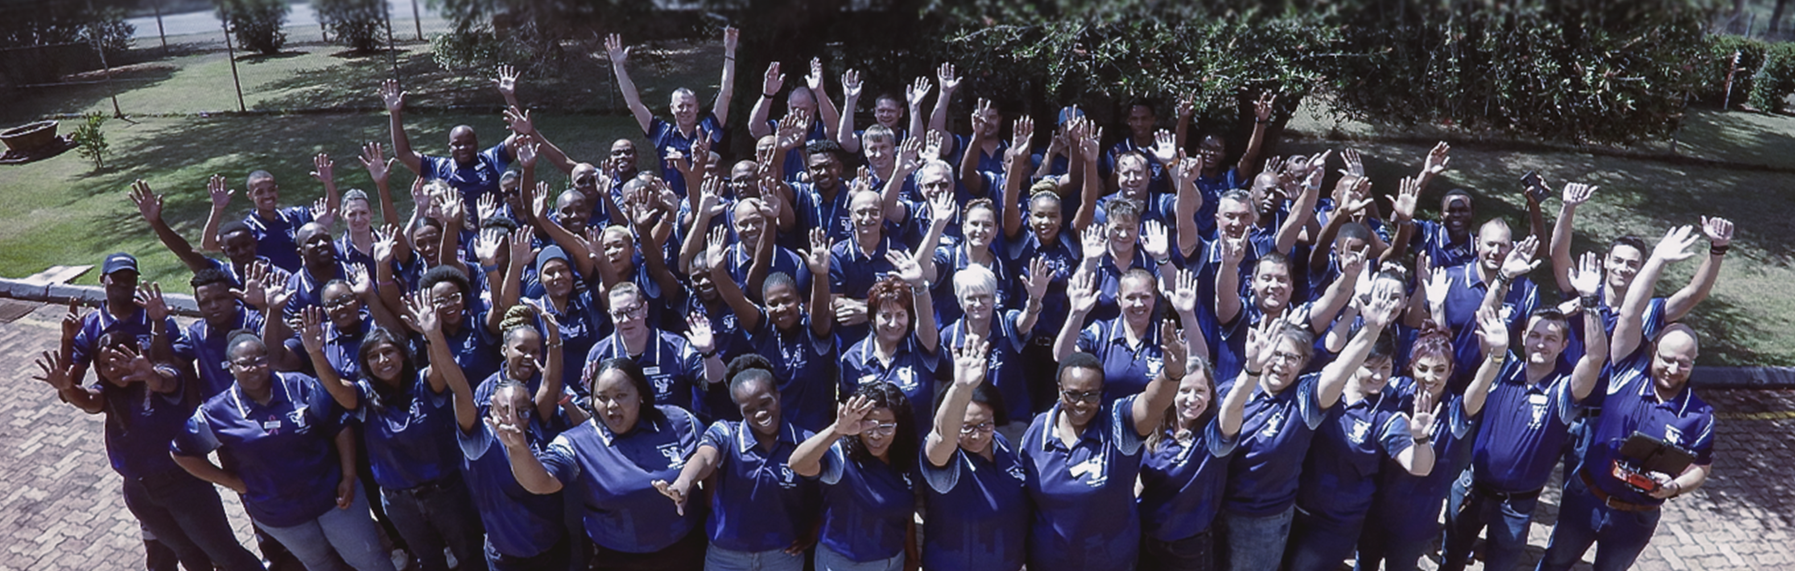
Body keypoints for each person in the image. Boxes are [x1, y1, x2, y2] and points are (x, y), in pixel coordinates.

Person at [1536, 225, 1719, 571]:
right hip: (1567, 409)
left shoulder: (1694, 409)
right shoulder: (1589, 297)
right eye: (1617, 261)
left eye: (1632, 264)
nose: (1672, 367)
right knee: (1539, 497)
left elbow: (1689, 295)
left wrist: (1674, 486)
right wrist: (1568, 209)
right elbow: (1560, 262)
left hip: (1601, 421)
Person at [38, 297, 265, 571]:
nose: (115, 369)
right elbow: (87, 400)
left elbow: (165, 382)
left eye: (121, 360)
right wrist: (67, 387)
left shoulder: (162, 374)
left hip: (183, 487)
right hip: (139, 492)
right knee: (188, 555)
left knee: (226, 555)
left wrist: (148, 374)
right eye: (107, 365)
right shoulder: (108, 391)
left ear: (137, 354)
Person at [1214, 283, 1403, 571]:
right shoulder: (1230, 391)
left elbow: (1338, 373)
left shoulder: (1304, 398)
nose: (1281, 364)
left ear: (1303, 364)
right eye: (1275, 354)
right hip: (1214, 511)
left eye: (1292, 358)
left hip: (1262, 522)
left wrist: (1372, 330)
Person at [1439, 252, 1609, 571]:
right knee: (1451, 560)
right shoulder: (1503, 368)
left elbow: (1596, 358)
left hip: (1516, 506)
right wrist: (1503, 278)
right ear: (1523, 337)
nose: (1540, 344)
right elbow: (1485, 318)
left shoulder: (1565, 390)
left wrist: (1589, 301)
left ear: (1563, 345)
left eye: (1550, 338)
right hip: (1471, 490)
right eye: (1534, 336)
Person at [170, 333, 396, 571]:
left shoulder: (300, 385)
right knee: (321, 564)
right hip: (280, 515)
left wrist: (349, 476)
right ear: (231, 368)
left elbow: (339, 426)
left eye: (259, 359)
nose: (253, 368)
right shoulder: (216, 413)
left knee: (368, 560)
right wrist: (231, 481)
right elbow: (181, 452)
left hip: (334, 498)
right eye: (244, 363)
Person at [299, 300, 488, 571]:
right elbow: (337, 388)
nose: (382, 360)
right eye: (373, 356)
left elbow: (441, 370)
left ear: (403, 354)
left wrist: (431, 335)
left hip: (446, 494)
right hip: (400, 502)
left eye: (388, 352)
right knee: (429, 559)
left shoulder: (425, 384)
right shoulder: (364, 396)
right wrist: (316, 353)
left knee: (469, 554)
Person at [1283, 274, 1440, 571]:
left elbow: (1418, 466)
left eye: (1386, 367)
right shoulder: (1325, 392)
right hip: (1292, 508)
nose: (1379, 377)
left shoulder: (1386, 416)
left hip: (1337, 523)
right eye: (1370, 367)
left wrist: (1420, 439)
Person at [500, 358, 708, 570]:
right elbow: (541, 483)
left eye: (621, 396)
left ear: (641, 395)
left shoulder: (679, 421)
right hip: (615, 559)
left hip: (685, 551)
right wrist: (518, 448)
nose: (611, 406)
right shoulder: (576, 442)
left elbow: (711, 462)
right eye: (602, 397)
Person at [1018, 320, 1183, 571]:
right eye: (1072, 394)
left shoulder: (1118, 423)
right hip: (1049, 561)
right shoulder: (1037, 431)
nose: (1081, 403)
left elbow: (1151, 403)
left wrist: (1171, 375)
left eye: (1091, 394)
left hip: (1110, 560)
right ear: (1060, 390)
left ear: (1102, 392)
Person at [1355, 313, 1507, 571]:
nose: (1430, 377)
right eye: (1423, 368)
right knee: (1364, 564)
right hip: (1375, 509)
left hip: (1416, 520)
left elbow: (1480, 387)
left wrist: (1497, 355)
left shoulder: (1456, 411)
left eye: (1439, 370)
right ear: (1411, 365)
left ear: (1450, 371)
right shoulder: (1395, 391)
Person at [654, 355, 821, 571]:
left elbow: (826, 492)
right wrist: (684, 483)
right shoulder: (725, 433)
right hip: (726, 557)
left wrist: (814, 530)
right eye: (749, 410)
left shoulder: (804, 441)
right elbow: (704, 457)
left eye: (765, 402)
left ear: (778, 395)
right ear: (739, 410)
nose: (760, 413)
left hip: (782, 556)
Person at [708, 226, 839, 432]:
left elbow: (821, 313)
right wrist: (717, 272)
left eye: (786, 300)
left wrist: (820, 275)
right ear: (765, 306)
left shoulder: (814, 329)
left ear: (798, 300)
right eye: (773, 303)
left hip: (816, 432)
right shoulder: (763, 329)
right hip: (776, 432)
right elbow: (738, 301)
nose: (780, 308)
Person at [1137, 347, 1257, 571]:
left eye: (1200, 391)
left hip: (1189, 547)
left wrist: (1252, 369)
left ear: (1211, 393)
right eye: (1185, 390)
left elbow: (1234, 406)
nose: (1192, 399)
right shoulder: (1154, 426)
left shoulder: (1213, 434)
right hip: (1146, 536)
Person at [919, 339, 1028, 571]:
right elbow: (942, 437)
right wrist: (961, 388)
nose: (976, 435)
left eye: (984, 425)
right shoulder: (945, 458)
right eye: (965, 427)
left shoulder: (1003, 446)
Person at [788, 382, 920, 571]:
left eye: (886, 427)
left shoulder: (907, 460)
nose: (876, 435)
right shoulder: (840, 456)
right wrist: (836, 430)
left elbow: (904, 515)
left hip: (891, 563)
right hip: (841, 563)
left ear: (900, 426)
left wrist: (913, 558)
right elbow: (797, 464)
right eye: (868, 426)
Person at [606, 28, 738, 196]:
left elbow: (726, 93)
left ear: (697, 107)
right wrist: (619, 66)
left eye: (689, 105)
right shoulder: (662, 133)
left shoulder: (709, 128)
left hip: (709, 198)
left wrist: (729, 51)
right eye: (680, 106)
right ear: (671, 109)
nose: (685, 110)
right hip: (676, 203)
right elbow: (634, 105)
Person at [1057, 267, 1208, 405]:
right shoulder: (1100, 332)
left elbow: (1200, 360)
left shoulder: (1166, 334)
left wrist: (1187, 314)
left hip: (1157, 428)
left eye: (1145, 297)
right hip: (1107, 427)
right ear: (1118, 300)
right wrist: (1076, 314)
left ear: (1154, 299)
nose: (1138, 304)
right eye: (1131, 298)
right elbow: (1062, 356)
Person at [585, 281, 725, 418]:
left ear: (645, 309)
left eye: (631, 311)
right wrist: (594, 395)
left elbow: (715, 384)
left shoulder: (676, 347)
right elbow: (591, 407)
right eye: (618, 314)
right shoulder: (599, 354)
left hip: (673, 432)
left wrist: (709, 352)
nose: (626, 320)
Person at [838, 267, 940, 439]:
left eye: (900, 315)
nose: (893, 324)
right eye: (885, 316)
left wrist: (920, 286)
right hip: (872, 453)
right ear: (871, 318)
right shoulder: (852, 359)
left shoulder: (920, 347)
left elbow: (927, 324)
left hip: (917, 452)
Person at [201, 160, 340, 273]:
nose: (267, 195)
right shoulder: (247, 229)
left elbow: (332, 210)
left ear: (277, 191)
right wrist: (217, 209)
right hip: (271, 288)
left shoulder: (297, 215)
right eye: (260, 192)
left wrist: (328, 183)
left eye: (271, 190)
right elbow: (209, 245)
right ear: (250, 196)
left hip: (304, 281)